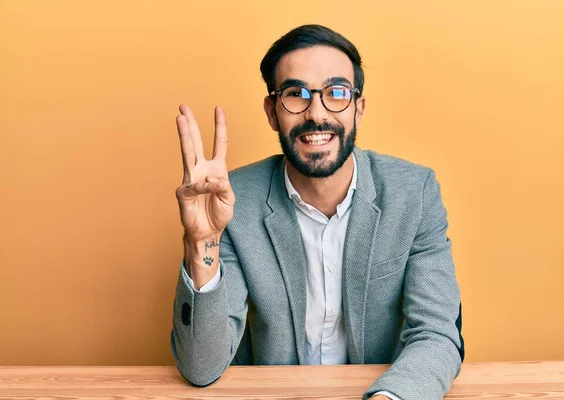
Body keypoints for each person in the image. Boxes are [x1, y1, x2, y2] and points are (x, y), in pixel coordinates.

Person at [170, 24, 464, 400]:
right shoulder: (232, 199)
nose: (316, 113)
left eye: (336, 93)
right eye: (296, 94)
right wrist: (202, 242)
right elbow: (200, 367)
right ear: (273, 112)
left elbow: (437, 334)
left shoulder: (414, 193)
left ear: (358, 108)